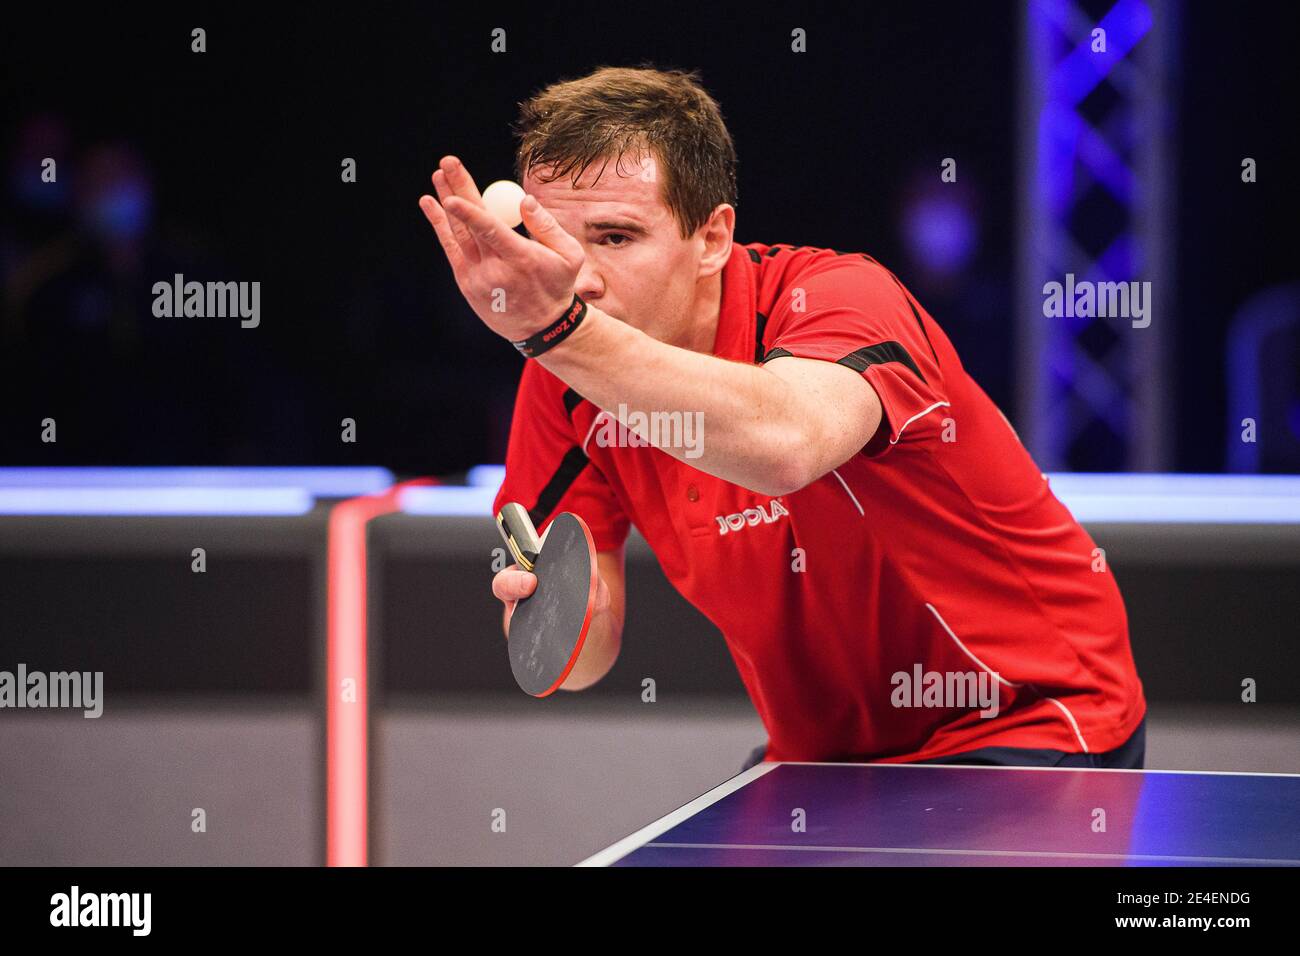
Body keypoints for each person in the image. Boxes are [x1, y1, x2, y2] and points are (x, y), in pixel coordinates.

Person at [417, 65, 1146, 768]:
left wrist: (558, 333)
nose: (581, 276)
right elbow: (587, 651)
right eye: (558, 242)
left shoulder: (840, 301)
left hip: (1032, 715)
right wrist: (549, 617)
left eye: (615, 237)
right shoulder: (567, 376)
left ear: (712, 238)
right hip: (824, 759)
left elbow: (787, 444)